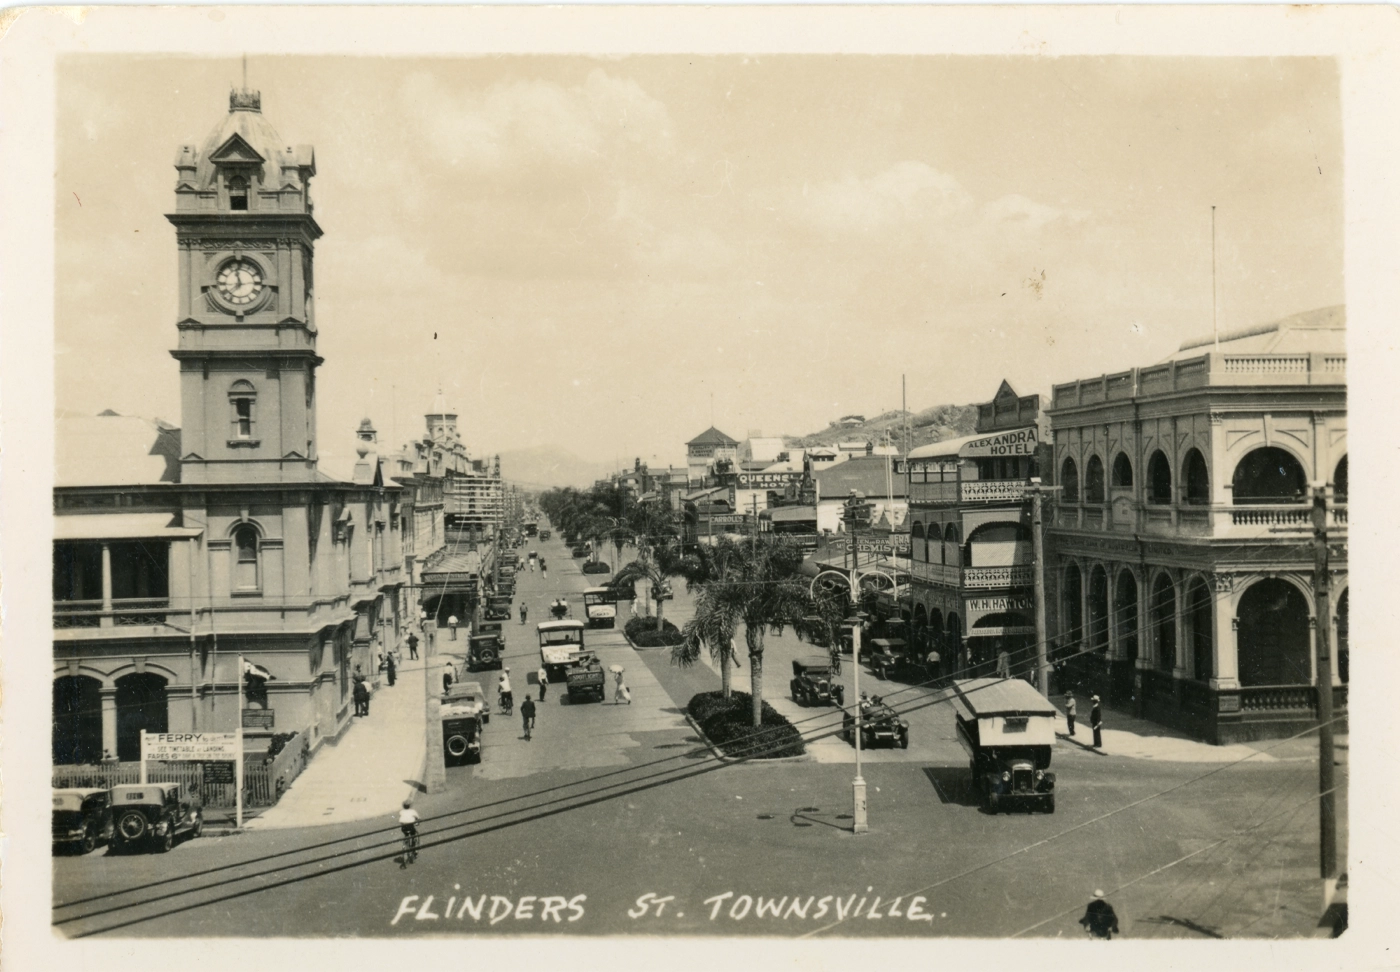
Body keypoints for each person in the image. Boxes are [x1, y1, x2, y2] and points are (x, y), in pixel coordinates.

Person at [397, 800, 421, 865]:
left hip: (404, 828)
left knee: (406, 835)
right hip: (410, 826)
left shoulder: (401, 811)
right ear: (410, 806)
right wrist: (417, 822)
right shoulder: (413, 811)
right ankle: (414, 850)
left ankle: (406, 842)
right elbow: (418, 818)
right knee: (414, 835)